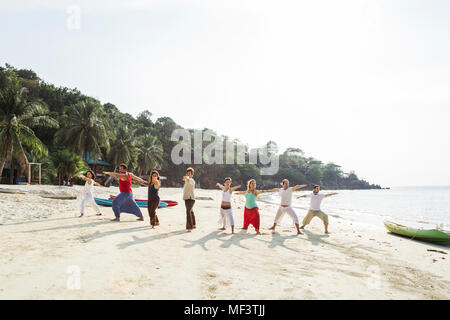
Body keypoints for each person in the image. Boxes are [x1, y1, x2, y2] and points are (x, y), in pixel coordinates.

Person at [183, 167, 196, 232]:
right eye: (187, 173)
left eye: (189, 173)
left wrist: (187, 177)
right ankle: (193, 224)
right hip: (186, 198)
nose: (188, 174)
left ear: (192, 175)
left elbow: (188, 179)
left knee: (188, 211)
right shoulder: (186, 181)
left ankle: (189, 227)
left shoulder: (192, 180)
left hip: (191, 198)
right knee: (191, 211)